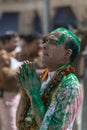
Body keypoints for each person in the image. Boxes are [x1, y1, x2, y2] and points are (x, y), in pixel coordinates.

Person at [17, 27, 83, 130]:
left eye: (52, 42)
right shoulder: (42, 78)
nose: (44, 46)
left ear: (67, 53)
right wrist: (25, 92)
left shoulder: (70, 86)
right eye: (46, 41)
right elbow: (20, 124)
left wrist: (34, 95)